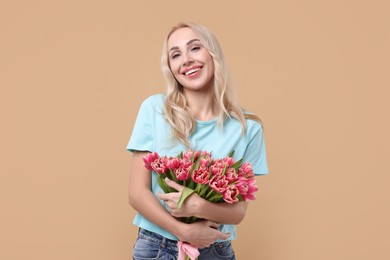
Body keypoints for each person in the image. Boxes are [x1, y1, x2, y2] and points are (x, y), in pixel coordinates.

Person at [127, 22, 268, 260]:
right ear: (171, 68)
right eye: (175, 55)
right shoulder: (154, 109)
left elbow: (238, 212)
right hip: (156, 247)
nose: (186, 60)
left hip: (214, 249)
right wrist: (184, 230)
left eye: (194, 48)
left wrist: (198, 206)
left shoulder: (248, 128)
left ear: (213, 53)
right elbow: (137, 193)